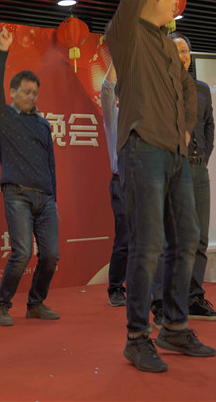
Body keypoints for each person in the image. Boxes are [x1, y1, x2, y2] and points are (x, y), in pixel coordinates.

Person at [105, 0, 216, 374]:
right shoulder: (126, 32)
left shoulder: (170, 47)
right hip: (142, 149)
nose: (176, 1)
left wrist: (186, 130)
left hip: (174, 154)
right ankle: (137, 337)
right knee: (148, 244)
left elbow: (187, 90)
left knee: (187, 238)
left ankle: (174, 325)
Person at [150, 33, 216, 326]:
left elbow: (209, 127)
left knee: (199, 239)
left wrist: (203, 159)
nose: (181, 55)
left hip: (197, 170)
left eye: (184, 51)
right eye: (174, 50)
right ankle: (160, 304)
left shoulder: (202, 89)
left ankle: (193, 299)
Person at [0, 29, 60, 327]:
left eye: (35, 92)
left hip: (45, 198)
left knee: (51, 255)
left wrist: (54, 198)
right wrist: (3, 51)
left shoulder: (43, 125)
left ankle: (36, 303)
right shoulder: (4, 116)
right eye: (26, 91)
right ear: (13, 93)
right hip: (17, 193)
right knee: (22, 253)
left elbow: (51, 165)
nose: (31, 96)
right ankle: (0, 307)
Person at [100, 63, 128, 307]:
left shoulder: (146, 119)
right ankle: (116, 288)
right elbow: (107, 88)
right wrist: (118, 55)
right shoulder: (114, 117)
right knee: (125, 237)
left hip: (146, 183)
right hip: (122, 183)